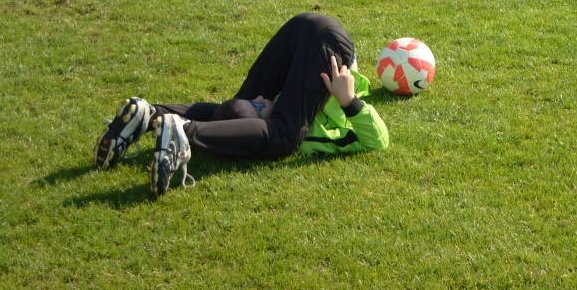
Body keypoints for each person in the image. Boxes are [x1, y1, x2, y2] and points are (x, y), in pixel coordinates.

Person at [94, 13, 389, 198]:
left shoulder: (281, 114)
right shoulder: (311, 115)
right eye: (259, 108)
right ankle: (165, 122)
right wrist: (349, 101)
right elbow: (377, 140)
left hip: (315, 33)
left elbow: (378, 141)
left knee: (260, 125)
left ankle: (166, 122)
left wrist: (347, 101)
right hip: (320, 39)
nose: (261, 103)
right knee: (268, 128)